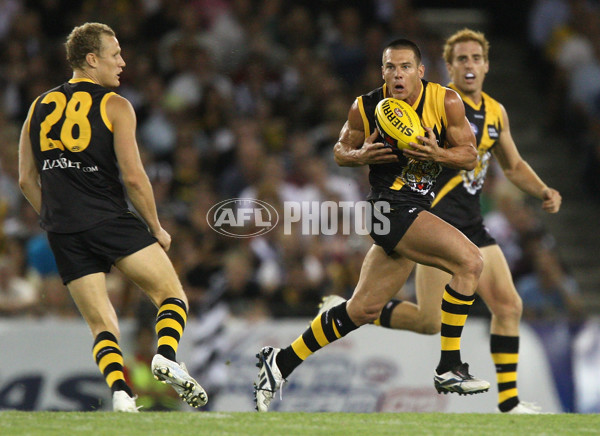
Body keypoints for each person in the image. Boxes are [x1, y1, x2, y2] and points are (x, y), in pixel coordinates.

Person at [319, 29, 562, 414]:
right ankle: (350, 310)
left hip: (472, 223)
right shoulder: (428, 104)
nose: (469, 65)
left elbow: (512, 165)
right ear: (447, 67)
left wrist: (543, 189)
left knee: (509, 305)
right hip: (432, 220)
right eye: (461, 59)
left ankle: (510, 402)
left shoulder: (495, 112)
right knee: (429, 321)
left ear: (486, 65)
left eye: (476, 58)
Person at [254, 38, 490, 412]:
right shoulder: (365, 107)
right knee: (471, 262)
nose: (397, 74)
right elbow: (339, 150)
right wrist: (358, 155)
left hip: (411, 212)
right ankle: (450, 366)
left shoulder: (445, 101)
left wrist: (437, 153)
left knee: (362, 310)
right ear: (382, 71)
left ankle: (279, 362)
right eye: (390, 67)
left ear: (420, 71)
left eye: (405, 67)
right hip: (388, 209)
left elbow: (469, 154)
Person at [18, 22, 207, 412]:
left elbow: (24, 178)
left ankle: (122, 395)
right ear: (91, 60)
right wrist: (156, 227)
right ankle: (167, 357)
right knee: (171, 295)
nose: (122, 62)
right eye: (115, 54)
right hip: (108, 218)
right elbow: (135, 178)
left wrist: (54, 216)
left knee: (102, 325)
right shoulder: (115, 105)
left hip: (63, 229)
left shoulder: (38, 106)